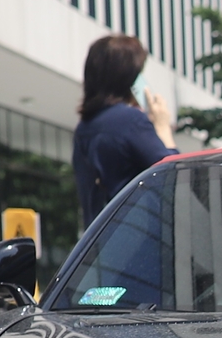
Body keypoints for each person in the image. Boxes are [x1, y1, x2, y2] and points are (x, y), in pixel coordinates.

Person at [74, 34, 177, 220]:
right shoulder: (131, 121)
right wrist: (163, 128)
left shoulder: (84, 129)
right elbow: (174, 177)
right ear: (129, 78)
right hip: (140, 242)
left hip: (101, 243)